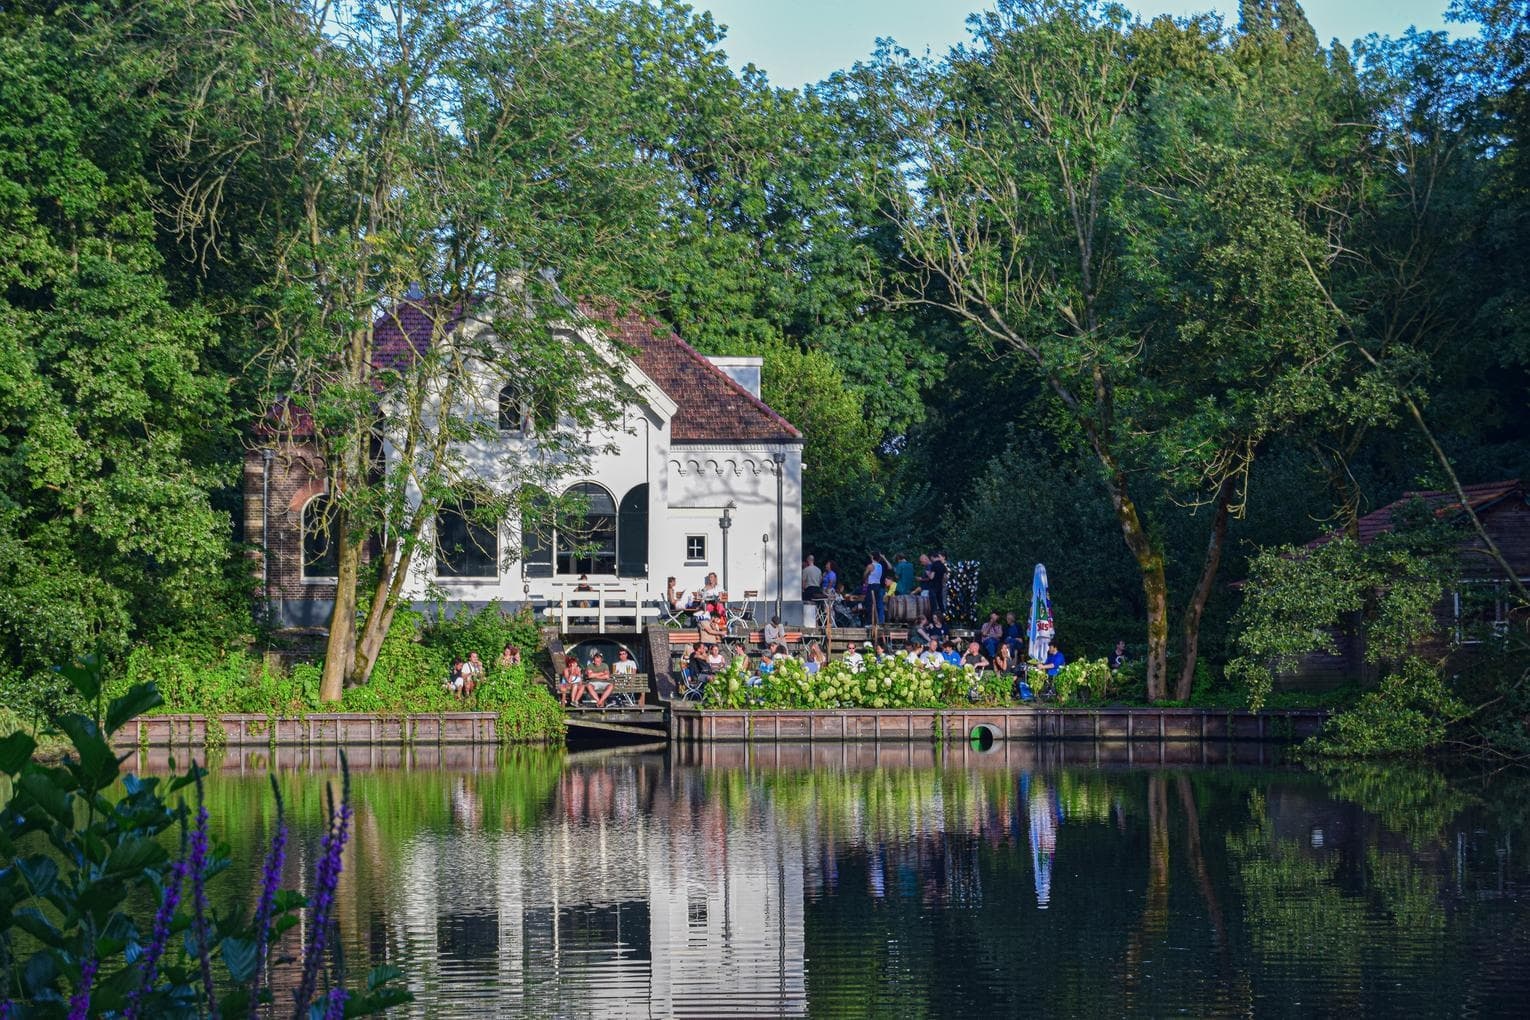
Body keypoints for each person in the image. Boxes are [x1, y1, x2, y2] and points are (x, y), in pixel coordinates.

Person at [863, 553, 885, 625]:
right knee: (876, 604)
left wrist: (866, 576)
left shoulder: (870, 566)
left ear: (872, 557)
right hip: (878, 586)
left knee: (869, 604)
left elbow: (864, 575)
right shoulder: (880, 566)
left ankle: (869, 622)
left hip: (871, 586)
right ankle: (876, 621)